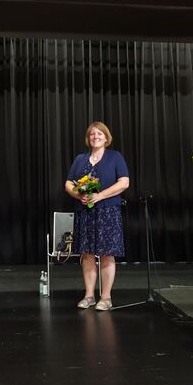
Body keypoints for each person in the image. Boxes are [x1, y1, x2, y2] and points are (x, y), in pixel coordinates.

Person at [65, 121, 129, 311]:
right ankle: (89, 295)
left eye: (99, 134)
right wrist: (79, 195)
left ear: (106, 137)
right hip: (85, 212)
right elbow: (69, 183)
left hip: (108, 212)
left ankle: (106, 297)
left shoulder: (115, 157)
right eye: (92, 134)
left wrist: (99, 196)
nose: (96, 137)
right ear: (88, 138)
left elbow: (124, 182)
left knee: (107, 254)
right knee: (87, 254)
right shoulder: (80, 159)